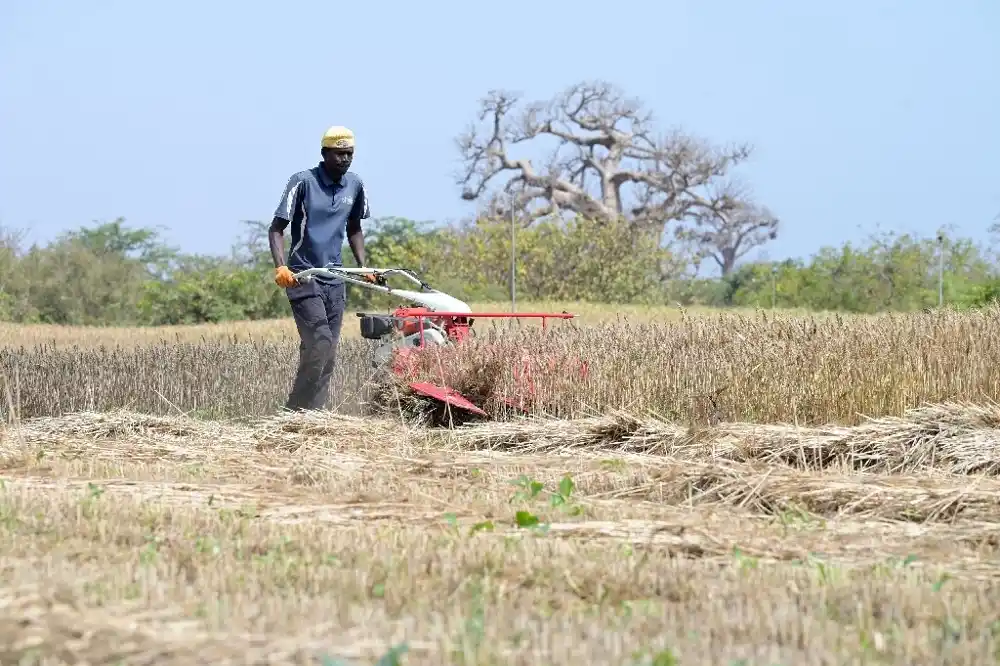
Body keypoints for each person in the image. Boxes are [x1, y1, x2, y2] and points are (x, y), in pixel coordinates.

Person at [267, 125, 374, 411]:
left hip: (335, 279)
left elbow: (354, 228)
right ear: (324, 153)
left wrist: (364, 266)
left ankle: (313, 415)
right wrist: (281, 268)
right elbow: (276, 229)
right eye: (338, 154)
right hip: (303, 277)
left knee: (327, 352)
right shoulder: (302, 182)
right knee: (320, 343)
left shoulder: (355, 184)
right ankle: (295, 410)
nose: (344, 159)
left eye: (349, 154)